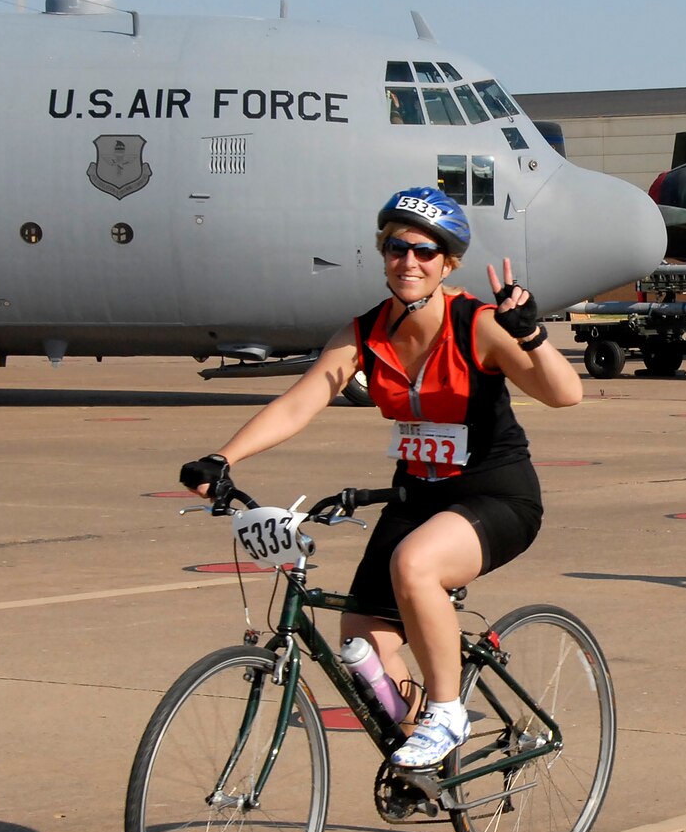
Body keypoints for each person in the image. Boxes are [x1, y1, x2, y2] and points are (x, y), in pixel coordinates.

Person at [179, 187, 583, 769]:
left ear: (447, 263)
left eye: (425, 251)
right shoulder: (364, 333)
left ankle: (447, 712)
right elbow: (301, 402)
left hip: (496, 497)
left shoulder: (480, 324)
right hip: (415, 497)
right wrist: (223, 458)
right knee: (361, 641)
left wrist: (532, 336)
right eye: (397, 248)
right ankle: (425, 756)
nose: (409, 262)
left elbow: (564, 394)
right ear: (383, 252)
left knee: (414, 565)